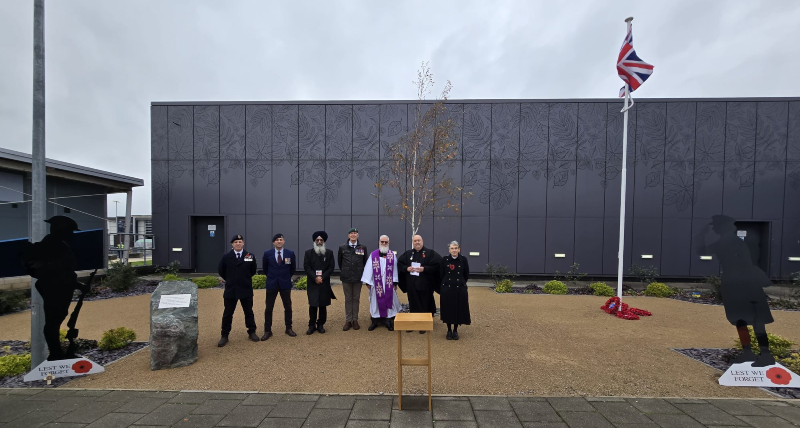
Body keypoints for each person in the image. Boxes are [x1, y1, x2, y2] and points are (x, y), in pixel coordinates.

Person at [694, 215, 775, 367]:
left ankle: (761, 354)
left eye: (716, 225)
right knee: (746, 318)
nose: (715, 228)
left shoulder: (726, 242)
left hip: (738, 283)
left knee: (745, 318)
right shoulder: (734, 241)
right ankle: (754, 353)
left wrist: (701, 235)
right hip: (744, 282)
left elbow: (702, 251)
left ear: (723, 227)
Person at [21, 216, 91, 361]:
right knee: (53, 320)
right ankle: (55, 354)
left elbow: (65, 272)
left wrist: (78, 285)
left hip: (61, 286)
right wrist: (77, 285)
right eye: (70, 231)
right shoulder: (52, 245)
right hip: (55, 287)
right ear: (61, 230)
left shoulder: (58, 244)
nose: (72, 234)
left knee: (57, 318)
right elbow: (60, 271)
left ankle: (58, 353)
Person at [217, 234, 259, 347]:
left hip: (245, 288)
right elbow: (221, 271)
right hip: (231, 289)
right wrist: (231, 279)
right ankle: (224, 335)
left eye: (240, 242)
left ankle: (251, 332)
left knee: (249, 312)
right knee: (227, 313)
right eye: (235, 242)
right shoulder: (226, 256)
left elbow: (252, 271)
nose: (238, 244)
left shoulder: (249, 256)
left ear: (243, 243)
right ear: (232, 244)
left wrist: (242, 279)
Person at [398, 235, 442, 333]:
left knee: (424, 303)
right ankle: (413, 323)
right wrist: (406, 268)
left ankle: (424, 324)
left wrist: (424, 269)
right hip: (412, 285)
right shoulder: (408, 254)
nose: (417, 242)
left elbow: (438, 265)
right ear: (412, 242)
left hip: (425, 284)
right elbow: (400, 264)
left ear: (422, 241)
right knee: (413, 303)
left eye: (419, 240)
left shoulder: (430, 253)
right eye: (415, 241)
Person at [360, 235, 401, 331]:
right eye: (382, 242)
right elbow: (368, 268)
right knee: (375, 301)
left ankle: (388, 320)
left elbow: (395, 270)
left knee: (389, 299)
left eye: (385, 242)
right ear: (379, 242)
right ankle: (375, 320)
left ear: (388, 243)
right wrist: (368, 282)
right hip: (376, 283)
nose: (383, 243)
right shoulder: (373, 255)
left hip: (388, 284)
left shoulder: (392, 255)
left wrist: (394, 283)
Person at [261, 233, 297, 340]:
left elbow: (292, 269)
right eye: (277, 240)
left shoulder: (290, 253)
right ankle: (267, 331)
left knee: (288, 307)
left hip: (285, 284)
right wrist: (272, 277)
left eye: (281, 239)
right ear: (273, 242)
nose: (279, 241)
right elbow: (265, 268)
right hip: (272, 284)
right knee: (268, 308)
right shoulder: (267, 253)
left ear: (284, 241)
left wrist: (285, 277)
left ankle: (288, 328)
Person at [303, 231, 336, 335]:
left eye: (321, 240)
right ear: (314, 241)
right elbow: (307, 267)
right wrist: (315, 278)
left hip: (324, 282)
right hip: (312, 283)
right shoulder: (308, 253)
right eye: (317, 240)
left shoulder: (329, 253)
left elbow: (331, 267)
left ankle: (321, 324)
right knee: (313, 304)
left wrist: (322, 277)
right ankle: (311, 325)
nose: (319, 242)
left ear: (324, 241)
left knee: (322, 304)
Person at [439, 241, 471, 340]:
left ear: (459, 249)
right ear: (449, 250)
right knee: (448, 309)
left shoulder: (463, 260)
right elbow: (441, 274)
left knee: (458, 309)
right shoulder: (445, 260)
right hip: (447, 288)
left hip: (459, 288)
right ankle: (449, 330)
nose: (454, 250)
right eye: (452, 248)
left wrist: (461, 283)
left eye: (456, 248)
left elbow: (466, 275)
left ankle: (455, 330)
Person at [338, 228, 368, 331]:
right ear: (348, 236)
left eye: (355, 233)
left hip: (357, 277)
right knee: (348, 299)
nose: (353, 235)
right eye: (351, 233)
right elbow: (340, 262)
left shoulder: (362, 247)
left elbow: (365, 262)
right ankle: (348, 320)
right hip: (346, 277)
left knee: (356, 298)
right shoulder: (342, 247)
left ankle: (355, 320)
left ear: (358, 235)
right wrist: (345, 270)